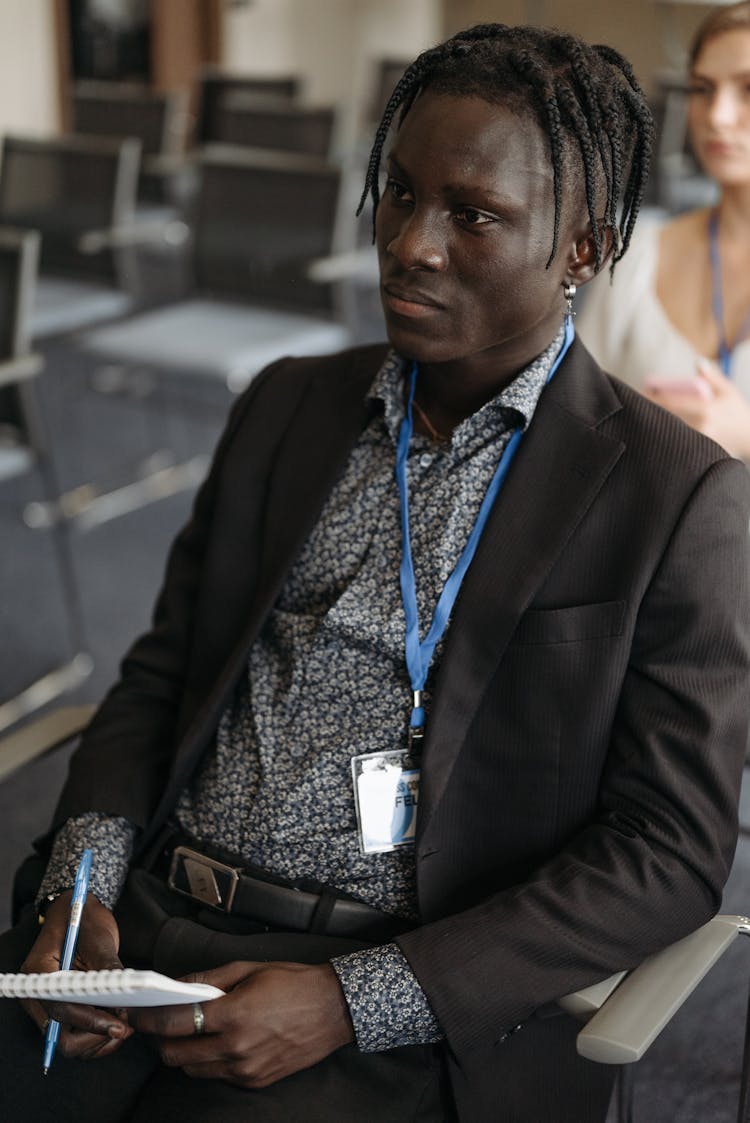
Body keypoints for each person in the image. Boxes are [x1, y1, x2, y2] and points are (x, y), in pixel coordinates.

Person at [1, 22, 749, 1123]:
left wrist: (355, 1001)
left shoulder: (673, 497)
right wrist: (82, 888)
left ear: (583, 247)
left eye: (472, 215)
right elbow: (161, 675)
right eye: (399, 195)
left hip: (389, 983)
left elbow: (669, 851)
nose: (411, 243)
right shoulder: (289, 404)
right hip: (149, 931)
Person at [578, 0, 750, 461]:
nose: (717, 116)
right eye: (703, 89)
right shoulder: (637, 255)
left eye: (748, 89)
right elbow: (574, 418)